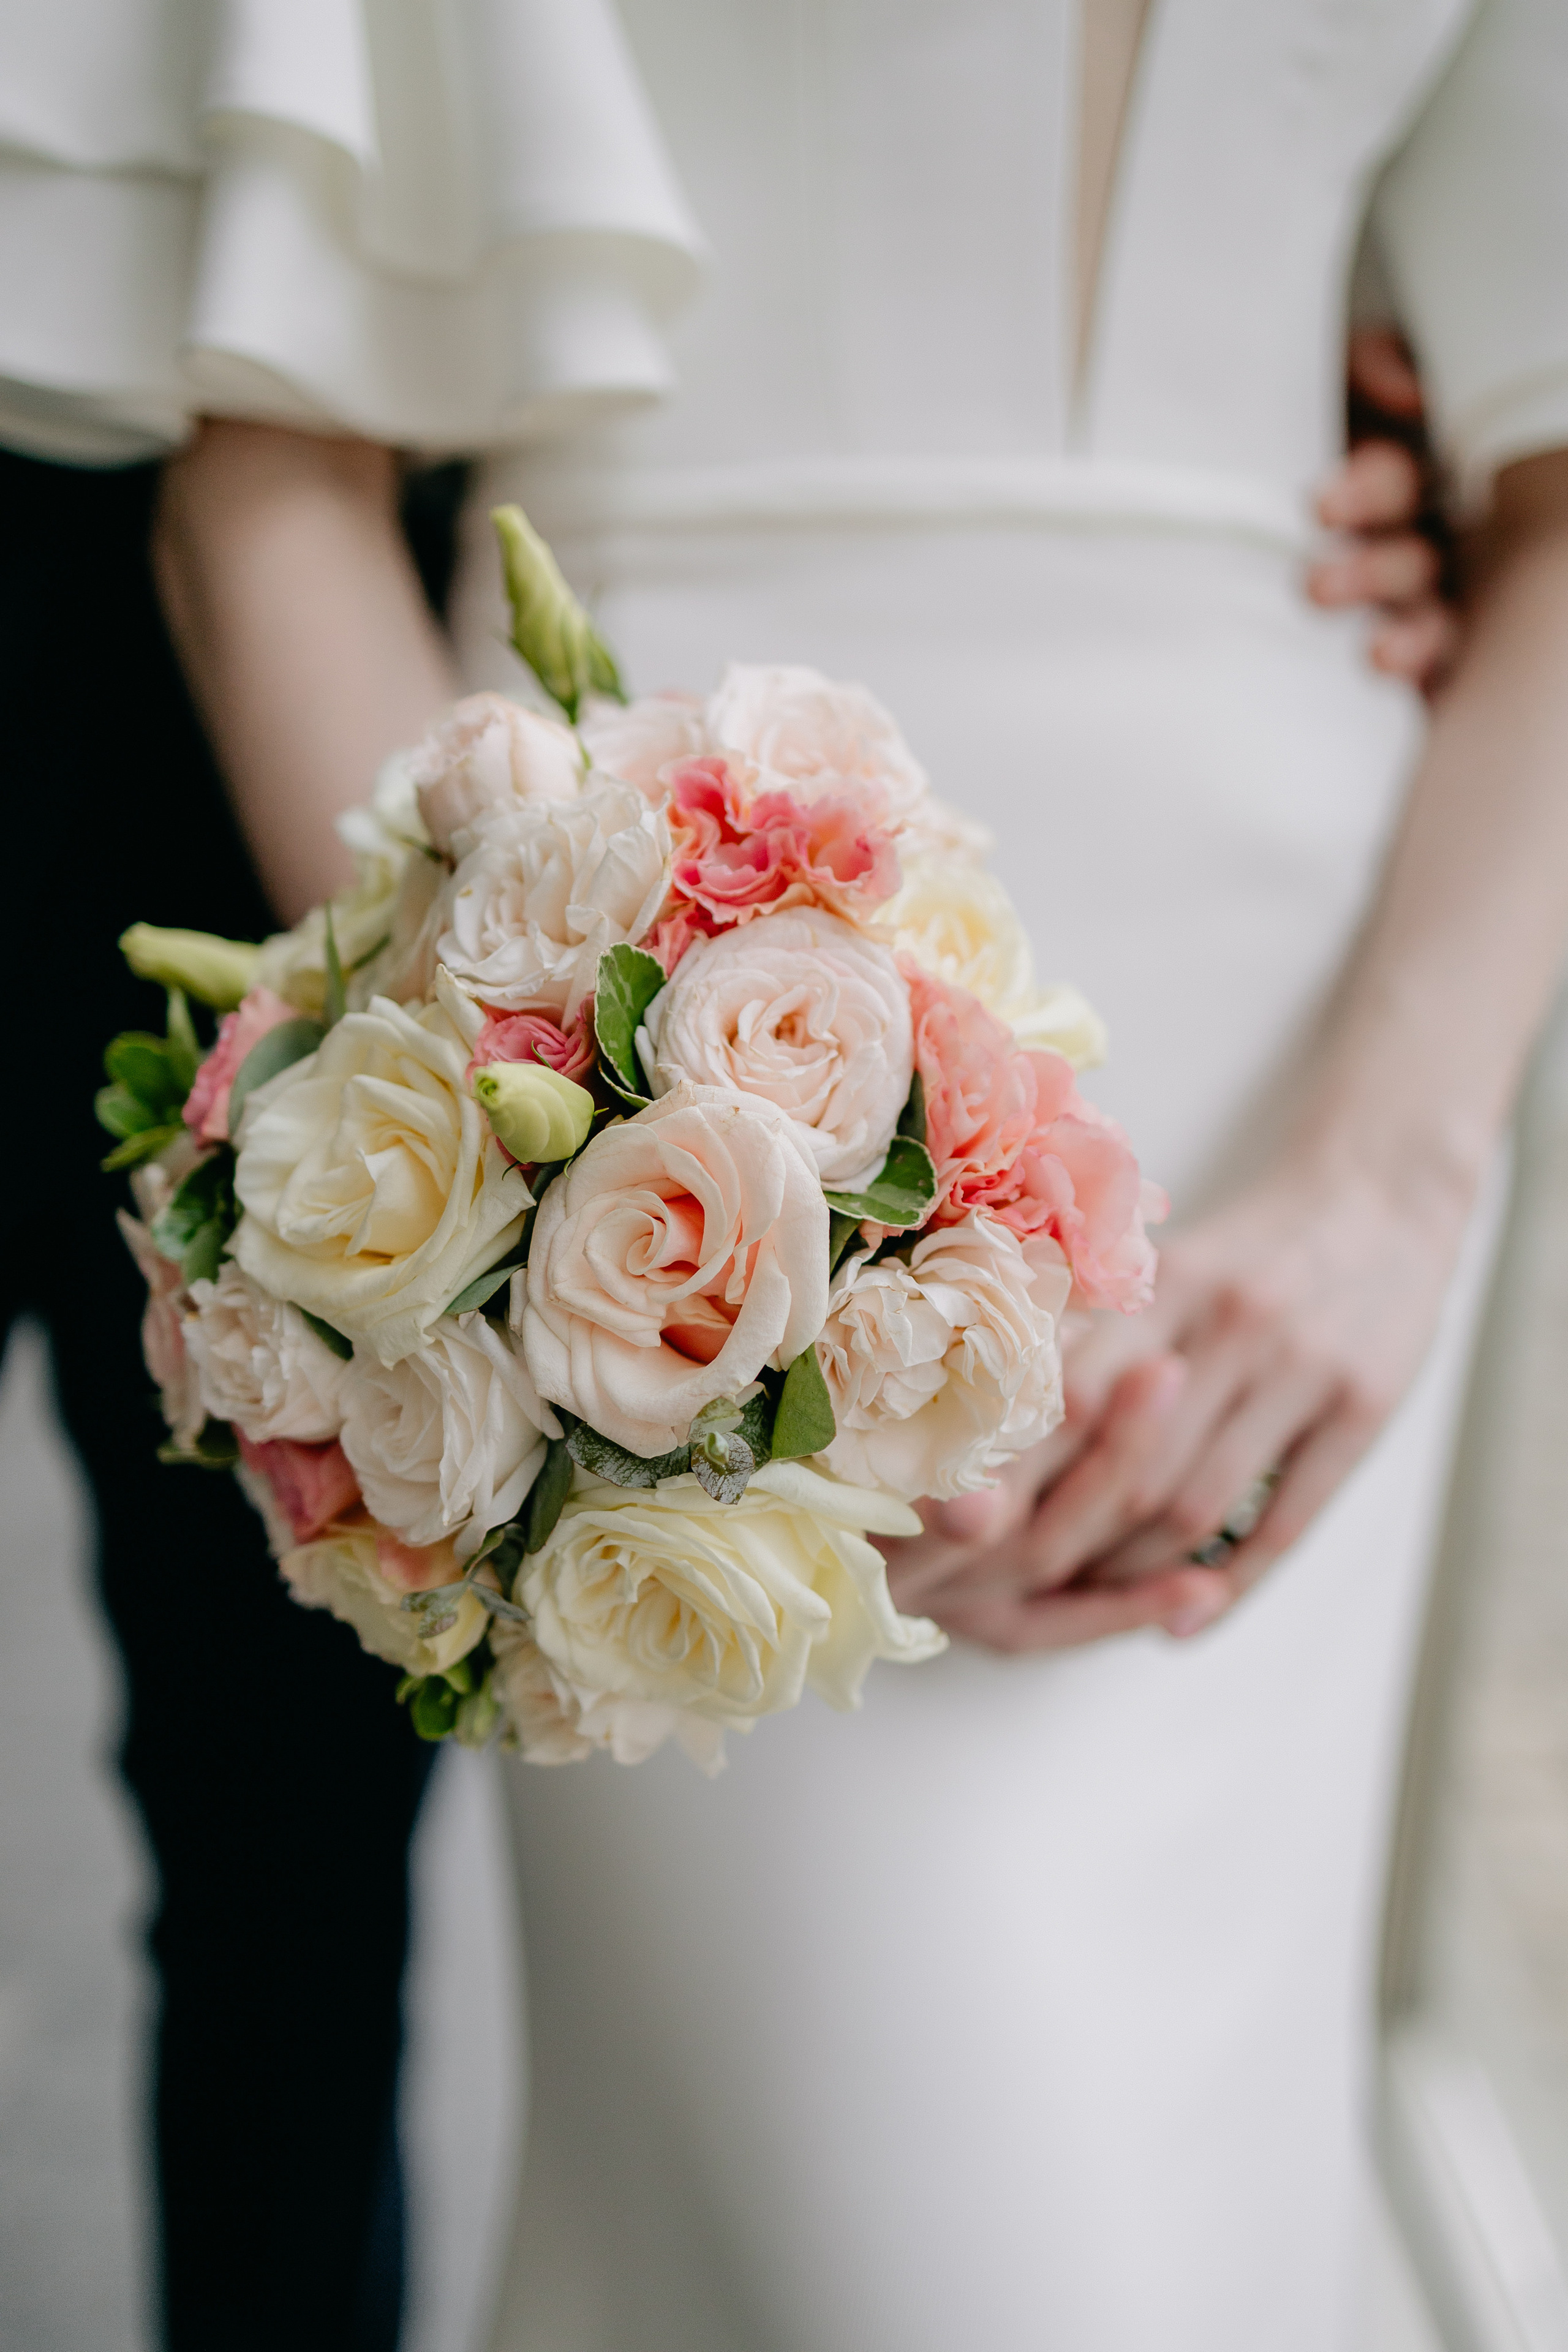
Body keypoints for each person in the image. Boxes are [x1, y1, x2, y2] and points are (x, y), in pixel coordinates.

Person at [426, 4, 1568, 2348]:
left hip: (1298, 1028)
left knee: (1179, 2162)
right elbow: (272, 471)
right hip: (627, 953)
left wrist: (1396, 1176)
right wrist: (536, 1183)